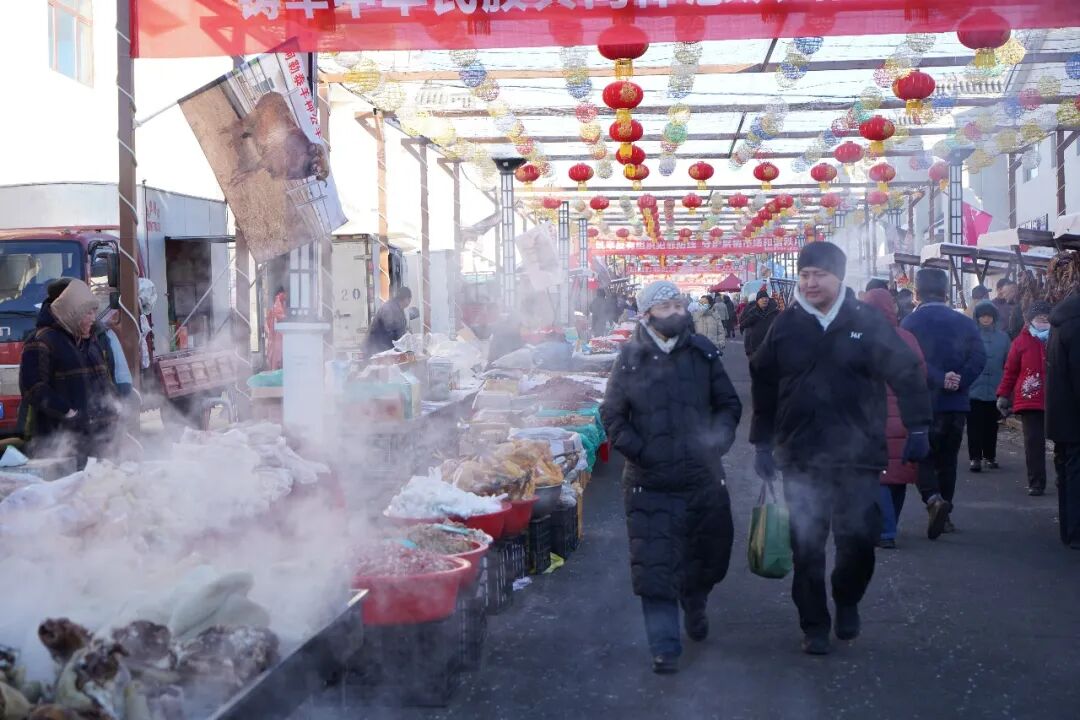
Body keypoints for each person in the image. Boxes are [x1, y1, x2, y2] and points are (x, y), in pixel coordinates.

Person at [750, 243, 931, 655]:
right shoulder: (786, 325)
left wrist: (919, 426)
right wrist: (761, 441)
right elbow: (763, 382)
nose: (810, 283)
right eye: (805, 275)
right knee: (806, 547)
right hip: (800, 454)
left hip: (858, 454)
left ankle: (847, 597)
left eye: (820, 274)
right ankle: (814, 624)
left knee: (859, 540)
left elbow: (905, 370)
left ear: (839, 277)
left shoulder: (865, 321)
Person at [600, 280, 741, 674]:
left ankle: (695, 603)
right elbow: (612, 415)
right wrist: (642, 451)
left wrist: (716, 442)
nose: (676, 312)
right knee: (656, 565)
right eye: (665, 306)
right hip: (649, 482)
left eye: (679, 305)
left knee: (706, 557)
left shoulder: (703, 352)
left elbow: (728, 404)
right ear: (646, 314)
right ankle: (664, 646)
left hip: (702, 477)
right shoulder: (630, 358)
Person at [901, 269, 987, 539]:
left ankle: (934, 500)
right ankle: (946, 515)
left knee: (922, 456)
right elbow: (979, 357)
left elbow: (908, 362)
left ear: (916, 293)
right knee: (948, 460)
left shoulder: (909, 323)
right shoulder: (964, 323)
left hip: (922, 402)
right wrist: (960, 380)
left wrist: (938, 377)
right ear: (946, 293)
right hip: (956, 404)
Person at [18, 279, 118, 468]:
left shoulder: (91, 341)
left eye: (94, 312)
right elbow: (33, 388)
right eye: (88, 313)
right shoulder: (41, 340)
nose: (93, 319)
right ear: (72, 311)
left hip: (97, 441)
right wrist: (68, 412)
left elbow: (104, 384)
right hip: (59, 443)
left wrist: (115, 416)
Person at [863, 288, 928, 550]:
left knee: (877, 475)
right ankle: (890, 524)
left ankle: (885, 530)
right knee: (899, 473)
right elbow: (920, 376)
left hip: (874, 417)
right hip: (905, 415)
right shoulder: (907, 338)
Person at [997, 302, 1051, 496]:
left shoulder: (1058, 337)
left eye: (1046, 317)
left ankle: (1065, 479)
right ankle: (1036, 482)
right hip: (1030, 399)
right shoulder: (1020, 342)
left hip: (1055, 398)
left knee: (1062, 442)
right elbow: (1010, 371)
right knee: (1033, 443)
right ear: (1029, 320)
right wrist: (1003, 395)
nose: (1043, 320)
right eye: (1039, 317)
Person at [1046, 288, 1080, 548]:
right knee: (1075, 473)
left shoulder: (1062, 320)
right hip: (1075, 414)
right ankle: (1075, 532)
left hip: (1061, 412)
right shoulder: (1077, 326)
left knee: (1068, 472)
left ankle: (1069, 530)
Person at [967, 302, 1010, 472]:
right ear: (977, 318)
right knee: (974, 425)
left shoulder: (1003, 338)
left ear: (994, 317)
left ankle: (990, 456)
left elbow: (1008, 362)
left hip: (995, 387)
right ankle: (975, 457)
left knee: (992, 425)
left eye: (989, 316)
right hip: (974, 387)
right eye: (982, 316)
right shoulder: (971, 336)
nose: (985, 319)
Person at [365, 286, 411, 355]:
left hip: (382, 348)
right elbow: (390, 330)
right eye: (409, 299)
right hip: (377, 349)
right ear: (406, 299)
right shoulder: (390, 308)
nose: (409, 302)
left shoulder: (398, 308)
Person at [739, 285, 779, 357]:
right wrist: (742, 326)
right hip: (756, 346)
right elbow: (744, 322)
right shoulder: (752, 312)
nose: (765, 300)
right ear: (757, 301)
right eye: (762, 298)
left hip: (771, 345)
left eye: (766, 298)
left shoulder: (774, 311)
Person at [265, 287, 287, 371]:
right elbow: (279, 316)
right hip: (279, 339)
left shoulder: (273, 308)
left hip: (275, 340)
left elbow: (268, 323)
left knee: (275, 360)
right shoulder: (279, 302)